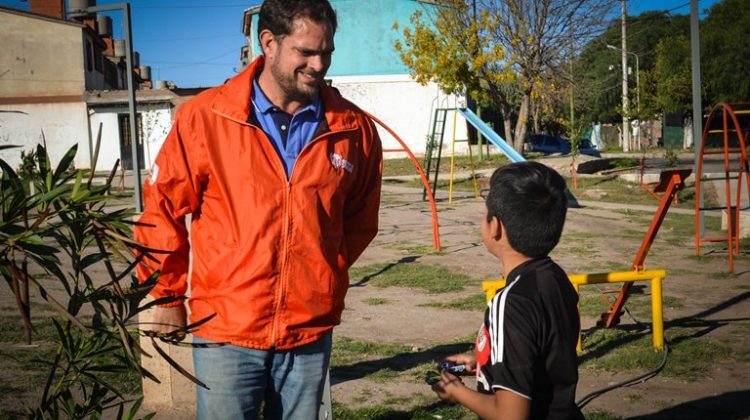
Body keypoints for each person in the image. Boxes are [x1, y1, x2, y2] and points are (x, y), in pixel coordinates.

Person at [134, 0, 382, 418]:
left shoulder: (352, 130)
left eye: (327, 52)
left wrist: (321, 270)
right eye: (305, 52)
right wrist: (167, 295)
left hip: (308, 329)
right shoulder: (206, 118)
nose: (319, 64)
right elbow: (162, 210)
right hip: (225, 329)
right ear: (269, 42)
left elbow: (359, 221)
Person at [432, 162, 583, 420]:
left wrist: (456, 391)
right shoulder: (556, 279)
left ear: (496, 227)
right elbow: (540, 355)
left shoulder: (509, 302)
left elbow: (509, 415)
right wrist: (486, 366)